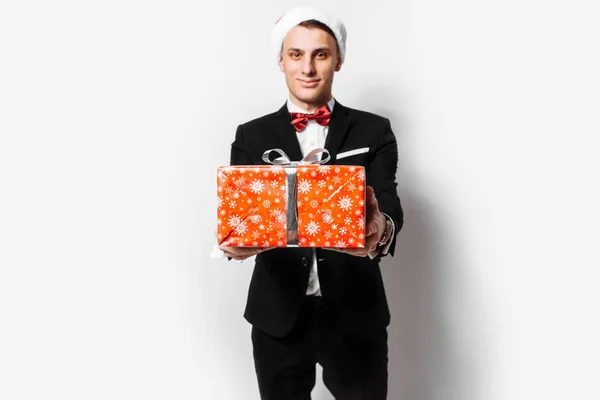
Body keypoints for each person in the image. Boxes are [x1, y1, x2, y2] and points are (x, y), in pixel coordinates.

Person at [218, 6, 403, 400]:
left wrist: (380, 227)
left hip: (357, 312)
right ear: (281, 61)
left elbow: (389, 200)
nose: (308, 67)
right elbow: (242, 216)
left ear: (338, 61)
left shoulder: (374, 130)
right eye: (296, 54)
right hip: (278, 314)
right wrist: (233, 244)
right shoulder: (251, 136)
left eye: (320, 54)